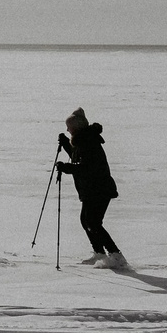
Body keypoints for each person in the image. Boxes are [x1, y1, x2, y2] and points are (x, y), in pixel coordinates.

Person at [55, 107, 125, 270]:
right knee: (86, 221)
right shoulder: (83, 139)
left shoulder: (88, 141)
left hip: (99, 189)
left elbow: (87, 166)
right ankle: (100, 254)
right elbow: (77, 156)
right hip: (92, 189)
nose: (67, 129)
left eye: (69, 127)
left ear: (77, 127)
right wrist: (66, 143)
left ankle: (116, 256)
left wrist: (67, 168)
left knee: (93, 222)